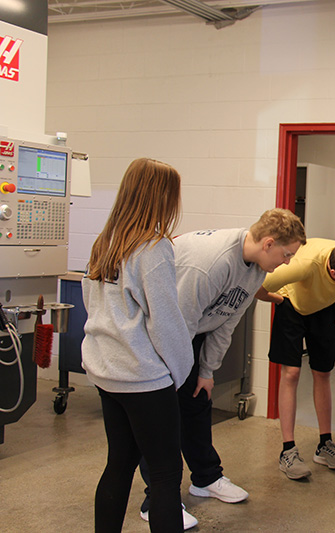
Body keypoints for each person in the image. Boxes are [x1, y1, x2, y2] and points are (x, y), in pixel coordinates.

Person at [138, 208, 307, 529]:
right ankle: (158, 500)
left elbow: (227, 319)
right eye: (286, 254)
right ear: (269, 243)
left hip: (192, 333)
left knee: (197, 403)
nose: (287, 262)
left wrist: (206, 371)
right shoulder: (209, 264)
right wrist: (175, 376)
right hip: (161, 336)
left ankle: (205, 478)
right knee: (162, 416)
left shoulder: (256, 268)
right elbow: (177, 324)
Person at [82, 158, 194, 532]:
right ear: (162, 197)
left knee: (119, 463)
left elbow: (94, 306)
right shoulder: (153, 247)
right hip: (144, 379)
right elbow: (165, 322)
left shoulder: (105, 241)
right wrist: (179, 373)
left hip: (108, 373)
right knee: (165, 476)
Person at [255, 239, 335, 480]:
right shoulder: (304, 265)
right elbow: (256, 285)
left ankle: (325, 445)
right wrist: (278, 300)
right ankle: (288, 451)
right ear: (334, 274)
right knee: (291, 373)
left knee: (323, 372)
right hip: (292, 305)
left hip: (324, 308)